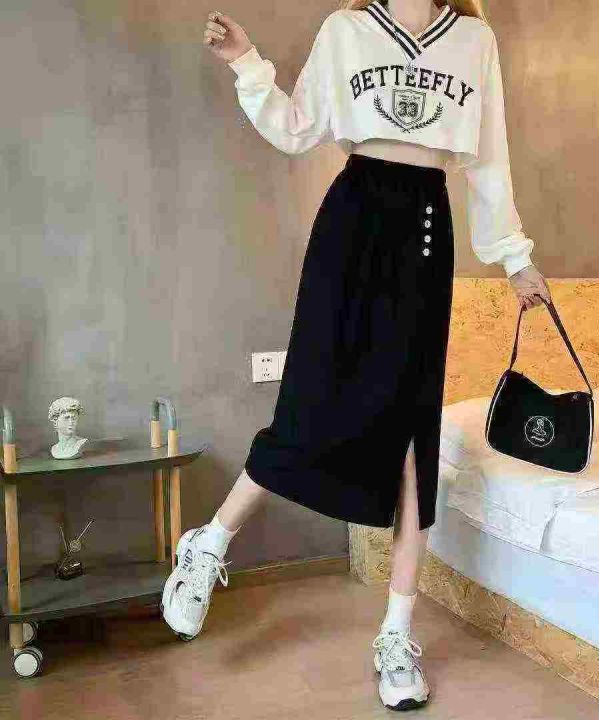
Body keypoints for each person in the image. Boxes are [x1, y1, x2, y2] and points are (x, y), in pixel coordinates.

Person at [160, 0, 552, 711]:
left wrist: (514, 257)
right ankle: (209, 541)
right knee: (311, 402)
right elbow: (297, 126)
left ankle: (396, 635)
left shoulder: (474, 39)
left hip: (425, 229)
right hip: (352, 219)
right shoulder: (348, 30)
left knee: (410, 429)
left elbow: (489, 155)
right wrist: (247, 62)